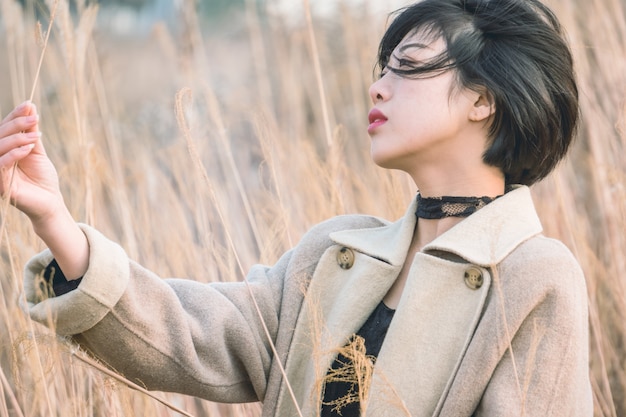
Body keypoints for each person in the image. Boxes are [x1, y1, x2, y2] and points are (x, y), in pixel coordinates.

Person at [1, 0, 592, 415]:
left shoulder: (533, 277)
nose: (378, 87)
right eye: (381, 70)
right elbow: (195, 332)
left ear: (483, 100)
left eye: (408, 66)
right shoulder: (335, 253)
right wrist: (55, 220)